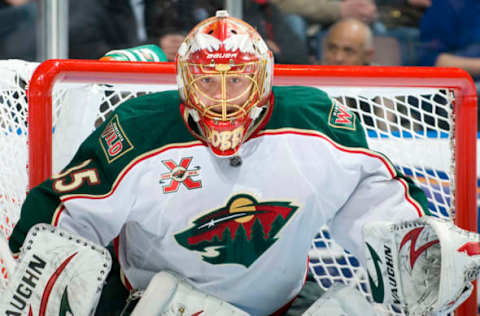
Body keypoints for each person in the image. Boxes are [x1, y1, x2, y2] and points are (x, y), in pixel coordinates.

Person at [4, 10, 480, 316]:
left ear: (265, 79)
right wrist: (49, 277)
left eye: (237, 81)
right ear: (185, 82)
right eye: (209, 82)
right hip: (149, 305)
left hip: (280, 304)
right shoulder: (139, 127)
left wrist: (413, 243)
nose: (223, 98)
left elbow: (376, 199)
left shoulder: (316, 121)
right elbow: (61, 214)